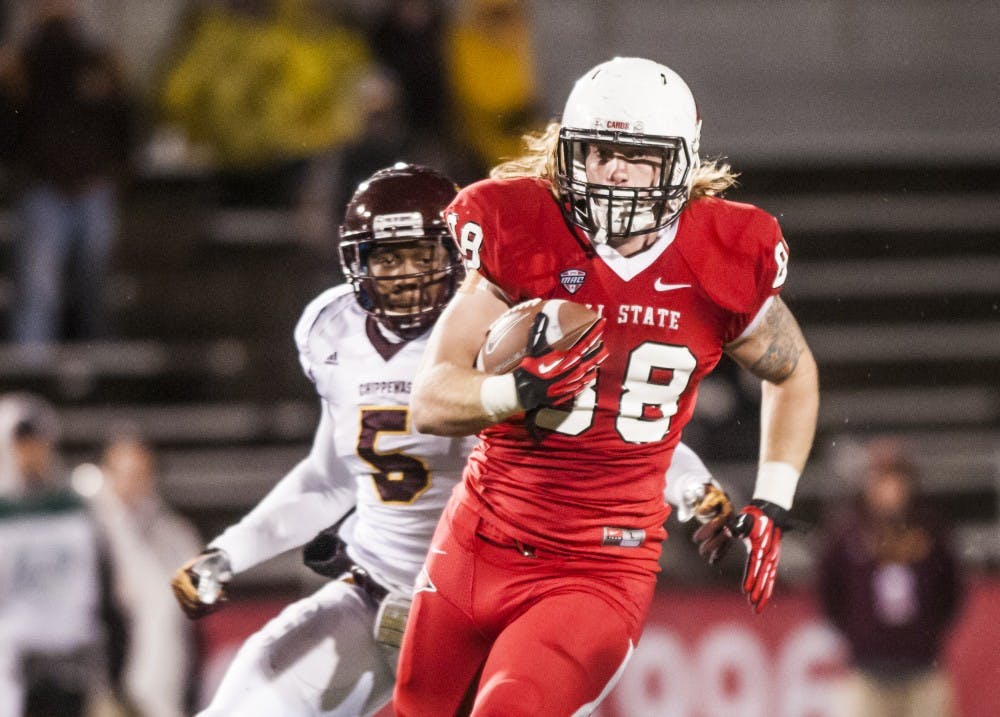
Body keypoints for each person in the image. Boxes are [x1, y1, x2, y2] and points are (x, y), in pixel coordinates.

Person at [169, 162, 720, 717]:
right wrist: (229, 554)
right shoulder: (328, 328)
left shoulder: (508, 324)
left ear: (456, 254)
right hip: (375, 593)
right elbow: (331, 475)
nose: (405, 274)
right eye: (387, 257)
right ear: (356, 262)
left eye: (420, 255)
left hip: (492, 610)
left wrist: (692, 485)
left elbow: (613, 435)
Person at [392, 56, 820, 716]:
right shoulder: (520, 228)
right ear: (571, 156)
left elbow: (792, 371)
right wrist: (517, 392)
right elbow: (430, 395)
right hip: (474, 542)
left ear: (679, 163)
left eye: (637, 155)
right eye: (599, 151)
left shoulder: (720, 255)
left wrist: (775, 497)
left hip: (596, 566)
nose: (615, 170)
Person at [1, 3, 135, 344]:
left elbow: (125, 129)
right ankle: (33, 377)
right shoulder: (23, 63)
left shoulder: (97, 60)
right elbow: (11, 136)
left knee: (96, 288)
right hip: (44, 189)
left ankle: (100, 374)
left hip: (92, 188)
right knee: (38, 289)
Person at [817, 439, 964, 717]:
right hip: (867, 671)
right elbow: (829, 591)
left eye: (895, 478)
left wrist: (927, 634)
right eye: (881, 478)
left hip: (921, 668)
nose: (889, 488)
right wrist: (858, 633)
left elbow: (951, 590)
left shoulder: (930, 530)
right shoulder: (849, 533)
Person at [0, 392, 123, 717]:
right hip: (11, 661)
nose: (30, 453)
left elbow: (105, 584)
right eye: (21, 443)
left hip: (72, 658)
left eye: (37, 441)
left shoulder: (79, 506)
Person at [88, 434, 203, 717]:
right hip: (102, 669)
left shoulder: (175, 533)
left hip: (160, 671)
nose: (132, 482)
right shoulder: (88, 529)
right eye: (123, 473)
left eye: (139, 473)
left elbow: (200, 599)